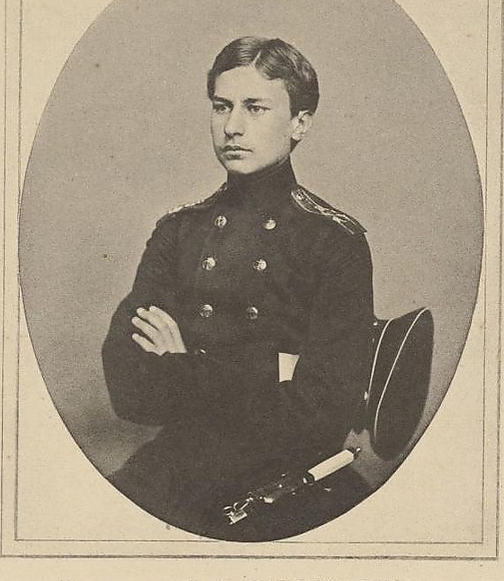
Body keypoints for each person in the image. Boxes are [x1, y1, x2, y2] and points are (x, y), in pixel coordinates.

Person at [102, 37, 374, 541]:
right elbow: (130, 391)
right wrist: (275, 368)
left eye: (256, 108)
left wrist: (181, 364)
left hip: (286, 487)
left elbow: (322, 414)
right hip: (178, 473)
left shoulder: (333, 241)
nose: (232, 126)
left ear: (299, 123)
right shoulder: (178, 231)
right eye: (221, 106)